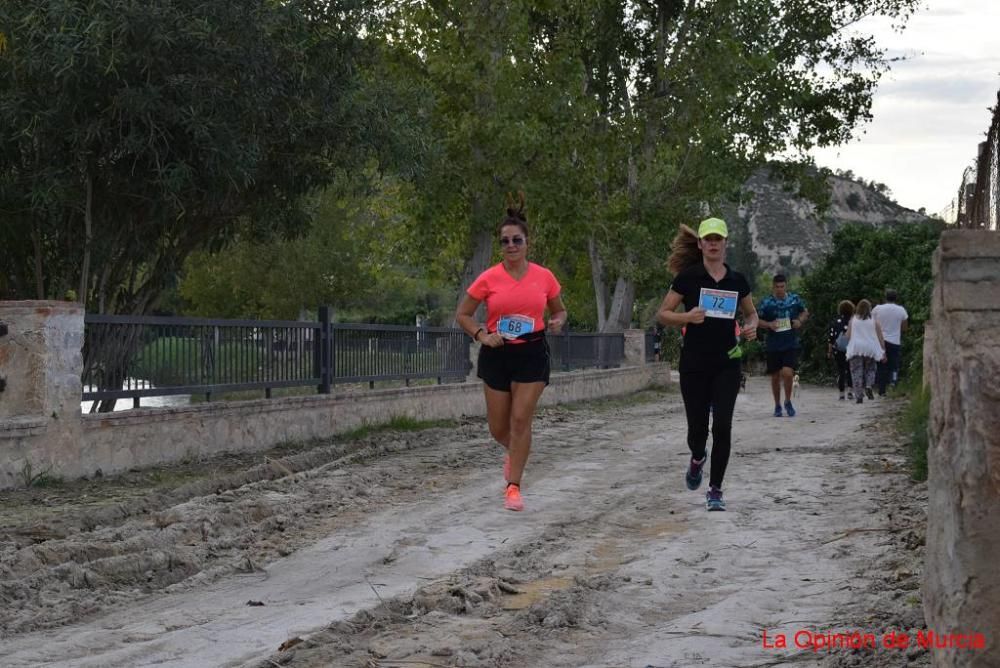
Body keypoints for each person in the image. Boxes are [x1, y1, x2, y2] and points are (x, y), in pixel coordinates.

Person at [455, 192, 567, 512]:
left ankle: (513, 487)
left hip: (531, 351)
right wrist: (480, 335)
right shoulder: (489, 278)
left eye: (517, 240)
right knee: (499, 428)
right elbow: (462, 315)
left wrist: (557, 321)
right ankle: (517, 452)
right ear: (500, 246)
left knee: (520, 420)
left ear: (527, 242)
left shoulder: (544, 277)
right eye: (505, 242)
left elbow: (559, 310)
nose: (511, 246)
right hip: (497, 351)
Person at [656, 217, 758, 511]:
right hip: (694, 364)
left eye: (718, 238)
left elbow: (751, 314)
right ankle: (697, 457)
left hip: (727, 363)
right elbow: (664, 314)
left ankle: (715, 490)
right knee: (697, 431)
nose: (713, 243)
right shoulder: (688, 278)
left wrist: (751, 326)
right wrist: (687, 317)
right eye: (708, 239)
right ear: (700, 244)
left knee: (723, 426)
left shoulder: (737, 281)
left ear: (726, 243)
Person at [757, 274, 809, 417]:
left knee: (787, 373)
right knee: (775, 377)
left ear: (786, 286)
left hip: (790, 343)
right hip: (773, 344)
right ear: (773, 287)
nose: (780, 289)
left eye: (782, 286)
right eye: (777, 287)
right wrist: (768, 324)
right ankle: (777, 405)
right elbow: (755, 319)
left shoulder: (794, 299)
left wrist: (800, 321)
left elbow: (805, 311)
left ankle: (787, 401)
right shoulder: (767, 302)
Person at [845, 299, 886, 403]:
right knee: (871, 369)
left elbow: (848, 336)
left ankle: (859, 395)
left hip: (856, 348)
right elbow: (880, 337)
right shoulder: (874, 321)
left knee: (856, 372)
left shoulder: (853, 320)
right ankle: (868, 385)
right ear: (869, 309)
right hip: (870, 348)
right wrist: (883, 351)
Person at [872, 289, 908, 396]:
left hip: (879, 341)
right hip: (894, 341)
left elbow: (871, 324)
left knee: (881, 366)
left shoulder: (877, 309)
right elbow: (905, 327)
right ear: (896, 298)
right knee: (894, 366)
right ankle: (893, 384)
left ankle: (881, 390)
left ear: (885, 297)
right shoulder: (901, 310)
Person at [826, 300, 855, 401]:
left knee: (841, 371)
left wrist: (829, 352)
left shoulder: (835, 322)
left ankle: (841, 393)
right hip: (852, 349)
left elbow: (831, 338)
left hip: (838, 350)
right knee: (851, 370)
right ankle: (850, 392)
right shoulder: (854, 321)